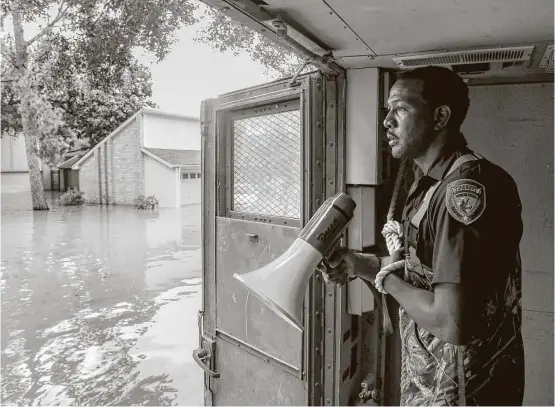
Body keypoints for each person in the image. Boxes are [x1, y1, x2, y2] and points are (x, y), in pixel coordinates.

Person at [322, 66, 524, 406]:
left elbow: (451, 321)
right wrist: (361, 264)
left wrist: (385, 279)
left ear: (440, 116)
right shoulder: (428, 183)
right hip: (432, 383)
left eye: (400, 108)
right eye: (387, 110)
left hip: (465, 392)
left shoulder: (464, 190)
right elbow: (423, 270)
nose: (387, 121)